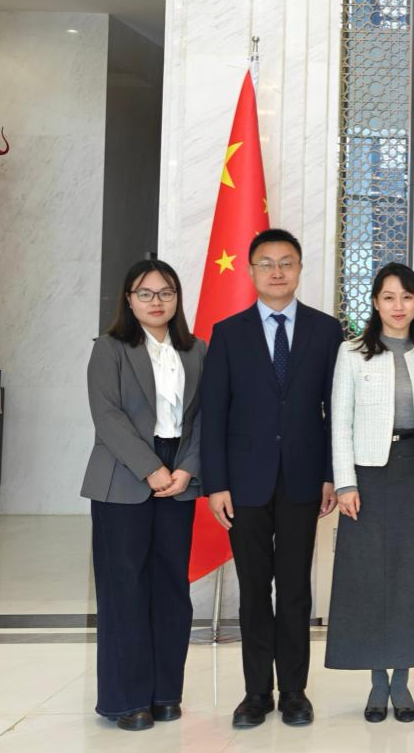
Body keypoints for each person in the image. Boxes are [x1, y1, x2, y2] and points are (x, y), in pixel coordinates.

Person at [200, 228, 344, 729]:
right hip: (244, 483)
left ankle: (295, 692)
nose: (277, 271)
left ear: (300, 269)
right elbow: (214, 413)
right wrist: (216, 483)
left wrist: (331, 474)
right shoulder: (228, 332)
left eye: (286, 262)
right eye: (267, 263)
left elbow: (337, 410)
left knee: (296, 589)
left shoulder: (326, 331)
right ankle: (256, 692)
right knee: (254, 588)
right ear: (251, 271)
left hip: (304, 479)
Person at [325, 263, 414, 723]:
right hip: (368, 475)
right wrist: (345, 482)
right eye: (389, 297)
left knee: (412, 577)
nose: (398, 306)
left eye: (407, 297)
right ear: (376, 303)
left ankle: (402, 681)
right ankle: (377, 682)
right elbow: (340, 421)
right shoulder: (352, 352)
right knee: (368, 578)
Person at [83, 258, 205, 731]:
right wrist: (151, 468)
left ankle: (164, 693)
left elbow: (206, 417)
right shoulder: (109, 349)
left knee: (172, 588)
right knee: (125, 588)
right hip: (123, 475)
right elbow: (107, 416)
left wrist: (187, 467)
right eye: (146, 293)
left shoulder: (196, 350)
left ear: (177, 299)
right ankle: (126, 699)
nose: (157, 302)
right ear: (129, 300)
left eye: (166, 293)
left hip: (180, 476)